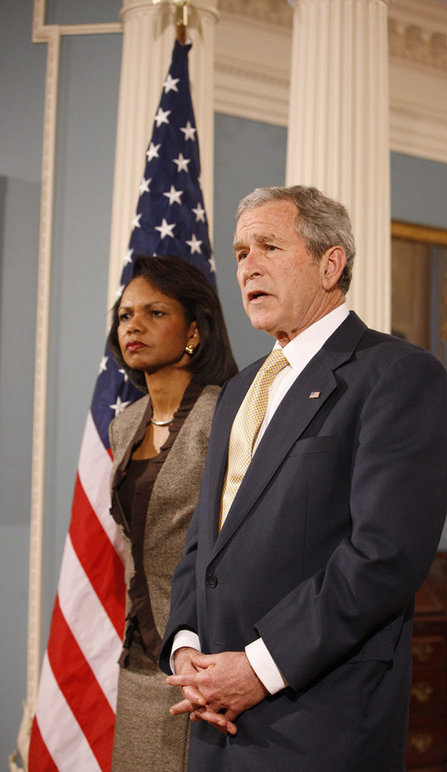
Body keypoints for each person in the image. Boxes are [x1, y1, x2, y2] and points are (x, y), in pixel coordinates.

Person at [160, 186, 447, 771]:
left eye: (270, 245)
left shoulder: (397, 375)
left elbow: (383, 556)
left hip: (314, 721)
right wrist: (187, 646)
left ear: (330, 263)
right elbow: (206, 537)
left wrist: (260, 668)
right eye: (242, 251)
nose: (249, 267)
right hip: (212, 717)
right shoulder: (242, 390)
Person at [107, 254, 237, 771]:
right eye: (124, 315)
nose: (133, 325)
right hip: (139, 655)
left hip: (204, 657)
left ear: (193, 331)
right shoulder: (125, 424)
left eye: (155, 312)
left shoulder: (225, 416)